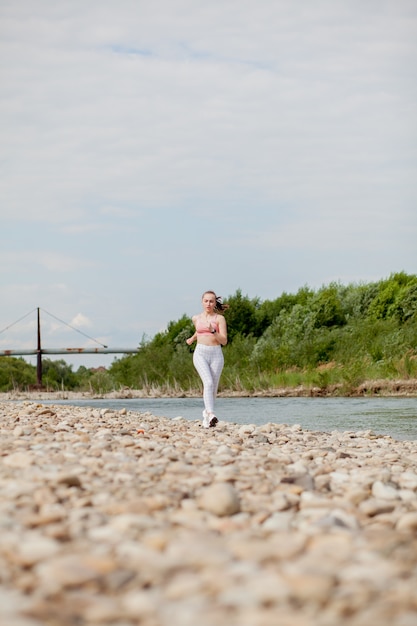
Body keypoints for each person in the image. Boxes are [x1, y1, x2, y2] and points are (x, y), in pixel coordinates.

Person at [186, 291, 228, 428]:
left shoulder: (219, 319)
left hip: (216, 354)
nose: (208, 304)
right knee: (208, 383)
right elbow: (199, 331)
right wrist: (192, 338)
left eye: (211, 301)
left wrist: (213, 331)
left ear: (215, 303)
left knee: (213, 389)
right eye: (206, 301)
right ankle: (211, 413)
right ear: (202, 302)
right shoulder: (196, 318)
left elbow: (224, 341)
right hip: (200, 353)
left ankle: (206, 416)